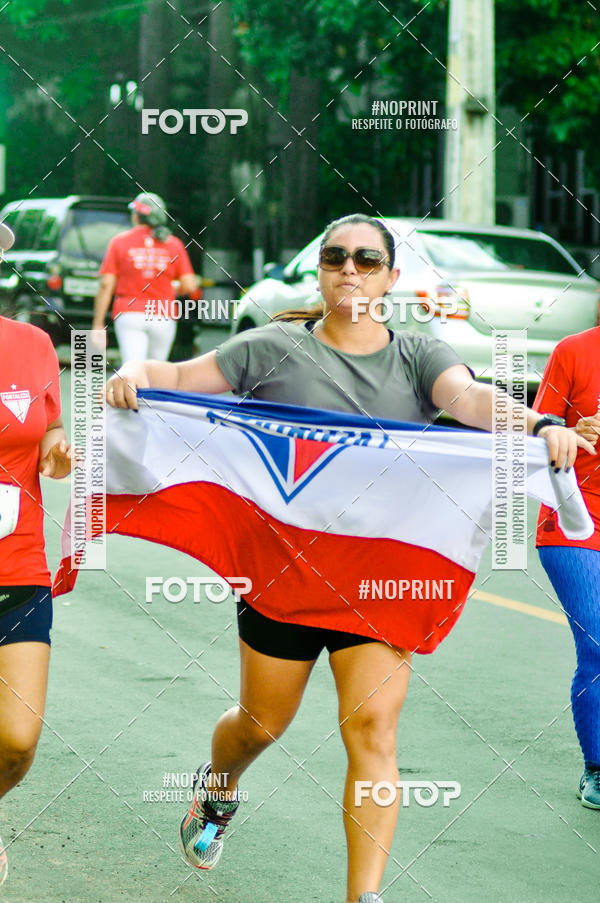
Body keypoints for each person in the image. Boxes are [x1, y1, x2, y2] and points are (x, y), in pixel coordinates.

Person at [105, 214, 592, 903]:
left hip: (379, 583)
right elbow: (178, 374)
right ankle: (217, 791)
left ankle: (363, 895)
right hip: (281, 581)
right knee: (259, 725)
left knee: (373, 728)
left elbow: (470, 398)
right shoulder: (270, 346)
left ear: (391, 278)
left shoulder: (421, 354)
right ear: (320, 269)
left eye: (367, 259)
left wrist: (538, 423)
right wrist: (132, 375)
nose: (350, 269)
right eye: (336, 256)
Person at [0, 221, 73, 885]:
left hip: (19, 568)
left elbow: (48, 424)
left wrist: (54, 450)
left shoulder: (31, 344)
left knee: (18, 741)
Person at [533, 326, 600, 809]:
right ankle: (597, 769)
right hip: (577, 521)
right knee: (598, 646)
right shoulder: (574, 352)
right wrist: (572, 435)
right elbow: (536, 439)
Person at [92, 192, 198, 363]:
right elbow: (189, 285)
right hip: (163, 315)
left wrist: (98, 324)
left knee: (133, 369)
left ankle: (134, 390)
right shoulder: (173, 244)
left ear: (136, 216)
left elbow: (106, 284)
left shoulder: (119, 242)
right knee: (155, 371)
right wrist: (170, 287)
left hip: (129, 314)